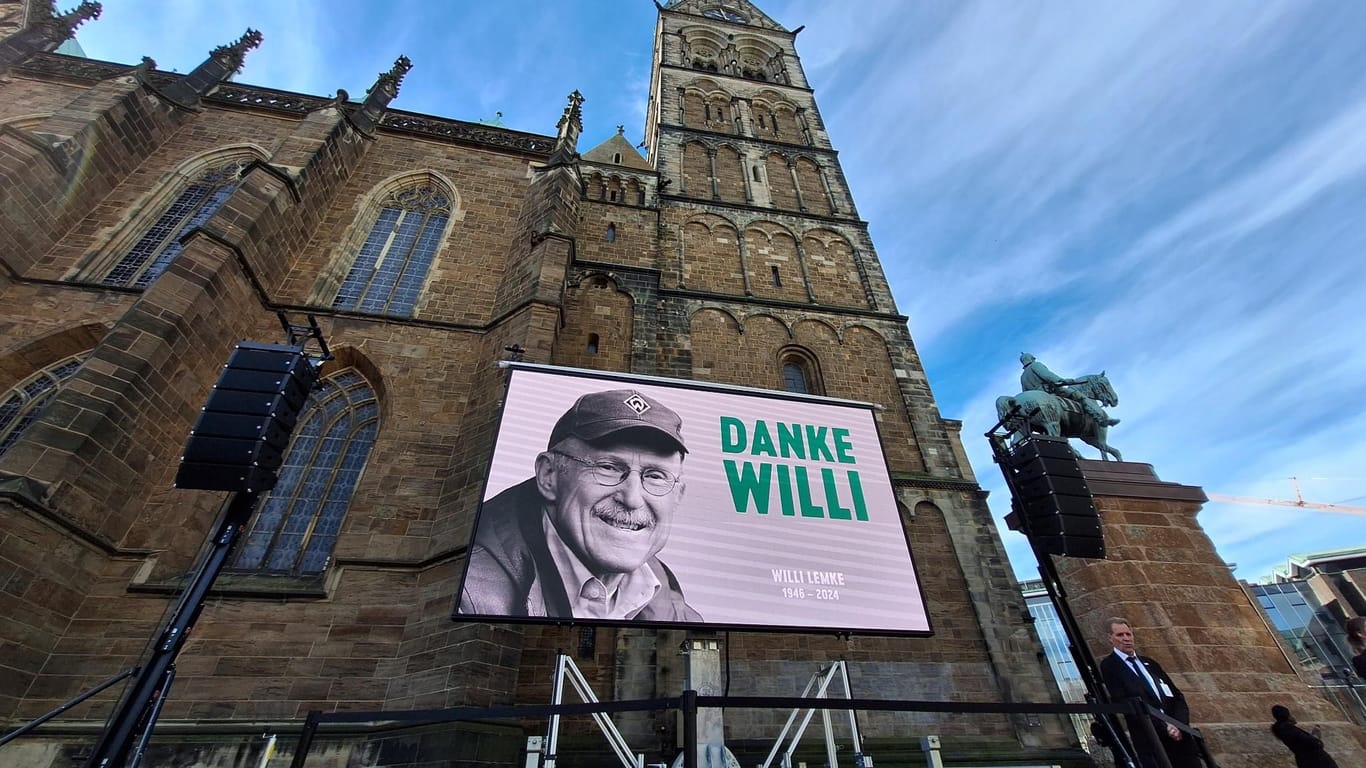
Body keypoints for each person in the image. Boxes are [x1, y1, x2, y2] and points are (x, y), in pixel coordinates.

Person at [459, 388, 702, 622]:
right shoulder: (467, 590)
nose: (632, 499)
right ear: (549, 475)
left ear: (678, 496)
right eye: (608, 467)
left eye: (655, 476)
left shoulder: (676, 610)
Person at [1098, 617, 1201, 768]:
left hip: (1179, 737)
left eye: (1128, 634)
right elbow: (1126, 702)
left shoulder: (1150, 663)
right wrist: (1163, 726)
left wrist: (1178, 724)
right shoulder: (1110, 666)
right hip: (1151, 739)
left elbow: (1176, 696)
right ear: (1110, 638)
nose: (1126, 639)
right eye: (1120, 635)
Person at [1019, 352, 1119, 427]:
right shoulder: (1036, 365)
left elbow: (1026, 393)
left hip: (1036, 398)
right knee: (1079, 396)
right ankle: (1101, 419)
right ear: (1031, 358)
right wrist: (1062, 380)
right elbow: (1048, 376)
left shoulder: (1022, 376)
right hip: (1050, 392)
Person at [1270, 704, 1338, 768]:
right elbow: (1314, 743)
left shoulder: (1282, 730)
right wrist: (1316, 736)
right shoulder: (1290, 730)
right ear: (1287, 716)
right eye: (1289, 714)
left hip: (1304, 761)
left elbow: (1302, 742)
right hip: (1317, 761)